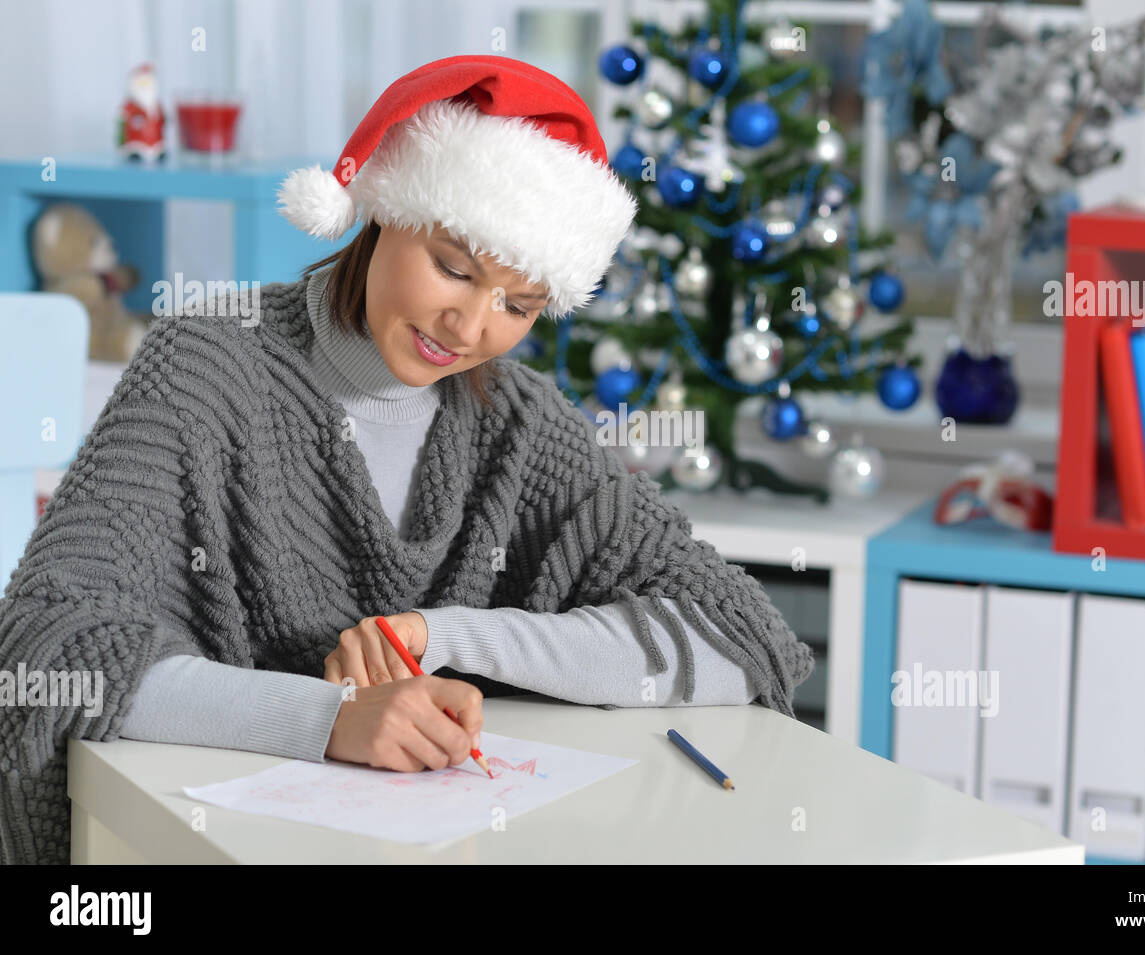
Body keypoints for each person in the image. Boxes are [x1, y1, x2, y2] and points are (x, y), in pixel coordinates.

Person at [0, 55, 814, 865]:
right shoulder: (205, 366)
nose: (469, 327)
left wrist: (446, 635)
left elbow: (736, 634)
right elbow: (44, 646)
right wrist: (326, 720)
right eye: (454, 269)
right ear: (386, 208)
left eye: (519, 305)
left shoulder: (523, 423)